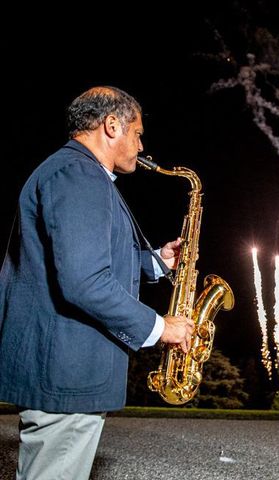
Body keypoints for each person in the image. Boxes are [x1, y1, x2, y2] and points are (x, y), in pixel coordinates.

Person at [0, 86, 195, 479]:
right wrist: (160, 327)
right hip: (66, 373)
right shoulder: (79, 175)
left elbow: (84, 261)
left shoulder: (72, 172)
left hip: (64, 368)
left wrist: (157, 262)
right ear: (111, 125)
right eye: (137, 133)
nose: (141, 145)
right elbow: (84, 281)